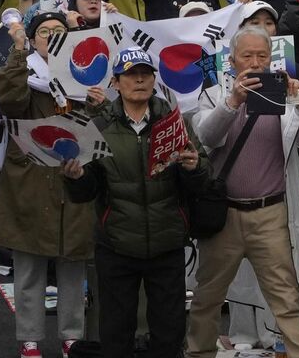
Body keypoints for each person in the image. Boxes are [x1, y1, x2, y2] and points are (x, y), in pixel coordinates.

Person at [187, 24, 299, 358]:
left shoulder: (284, 93)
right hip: (225, 214)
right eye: (247, 56)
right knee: (207, 296)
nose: (255, 62)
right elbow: (207, 138)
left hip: (271, 212)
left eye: (262, 56)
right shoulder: (214, 93)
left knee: (287, 296)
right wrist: (232, 102)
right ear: (233, 59)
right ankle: (198, 352)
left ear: (272, 58)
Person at [63, 48, 205, 358]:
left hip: (166, 243)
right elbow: (87, 192)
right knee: (115, 335)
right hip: (116, 245)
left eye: (145, 72)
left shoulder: (174, 121)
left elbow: (201, 178)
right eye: (130, 73)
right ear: (116, 82)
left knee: (169, 336)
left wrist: (195, 168)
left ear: (155, 79)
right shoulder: (98, 126)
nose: (139, 78)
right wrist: (74, 178)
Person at [0, 9, 96, 358]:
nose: (51, 36)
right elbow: (10, 101)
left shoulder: (84, 73)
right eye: (43, 31)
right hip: (30, 179)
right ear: (33, 38)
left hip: (73, 176)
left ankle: (72, 335)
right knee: (29, 266)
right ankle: (29, 338)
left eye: (58, 30)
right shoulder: (24, 69)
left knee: (73, 262)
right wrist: (18, 50)